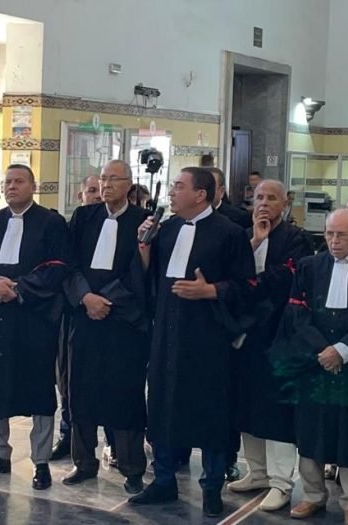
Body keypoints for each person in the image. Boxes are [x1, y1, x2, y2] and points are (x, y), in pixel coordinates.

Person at [128, 167, 256, 518]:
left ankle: (212, 486)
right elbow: (150, 277)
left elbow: (248, 286)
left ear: (201, 194)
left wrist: (211, 290)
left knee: (210, 410)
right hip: (166, 335)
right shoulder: (167, 229)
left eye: (179, 186)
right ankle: (163, 479)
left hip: (208, 338)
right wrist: (144, 245)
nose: (171, 192)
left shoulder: (229, 233)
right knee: (163, 406)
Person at [273, 209, 348, 525]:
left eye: (341, 235)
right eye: (329, 234)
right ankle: (312, 495)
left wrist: (343, 351)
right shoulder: (309, 266)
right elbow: (297, 312)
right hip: (315, 363)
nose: (334, 241)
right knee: (311, 433)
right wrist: (322, 350)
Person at [0, 164, 69, 491]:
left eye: (19, 181)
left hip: (32, 318)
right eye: (7, 182)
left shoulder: (51, 223)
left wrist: (18, 289)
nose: (12, 186)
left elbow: (57, 267)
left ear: (33, 187)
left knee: (38, 388)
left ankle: (41, 460)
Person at [62, 160, 149, 494]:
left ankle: (131, 467)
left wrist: (107, 300)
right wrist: (86, 297)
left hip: (123, 321)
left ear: (129, 184)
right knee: (80, 389)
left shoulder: (142, 221)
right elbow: (69, 263)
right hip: (84, 315)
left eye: (114, 179)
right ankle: (84, 462)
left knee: (124, 393)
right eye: (103, 178)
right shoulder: (84, 217)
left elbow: (140, 272)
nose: (106, 185)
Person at [229, 179, 313, 512]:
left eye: (272, 198)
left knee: (276, 409)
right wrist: (255, 241)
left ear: (285, 203)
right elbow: (232, 274)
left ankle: (281, 481)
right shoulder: (244, 235)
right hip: (246, 332)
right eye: (259, 197)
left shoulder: (296, 238)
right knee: (246, 402)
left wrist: (251, 282)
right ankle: (258, 472)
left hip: (279, 332)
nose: (263, 203)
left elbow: (287, 278)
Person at [51, 172, 106, 462]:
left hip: (110, 310)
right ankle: (68, 436)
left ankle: (113, 443)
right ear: (80, 195)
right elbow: (67, 266)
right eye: (92, 190)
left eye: (101, 190)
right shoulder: (74, 224)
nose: (97, 195)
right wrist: (84, 296)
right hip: (75, 311)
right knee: (69, 379)